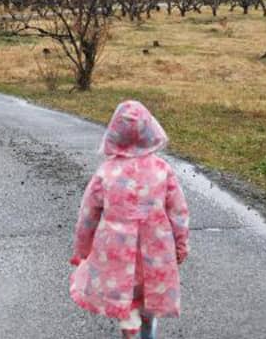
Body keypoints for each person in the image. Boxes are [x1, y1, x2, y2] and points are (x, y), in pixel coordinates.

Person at [69, 100, 190, 339]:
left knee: (126, 297)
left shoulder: (107, 172)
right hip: (155, 251)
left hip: (117, 253)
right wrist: (181, 244)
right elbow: (178, 212)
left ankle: (130, 331)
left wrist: (82, 249)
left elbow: (88, 215)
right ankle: (147, 330)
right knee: (149, 295)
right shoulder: (162, 170)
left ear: (114, 133)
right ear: (150, 130)